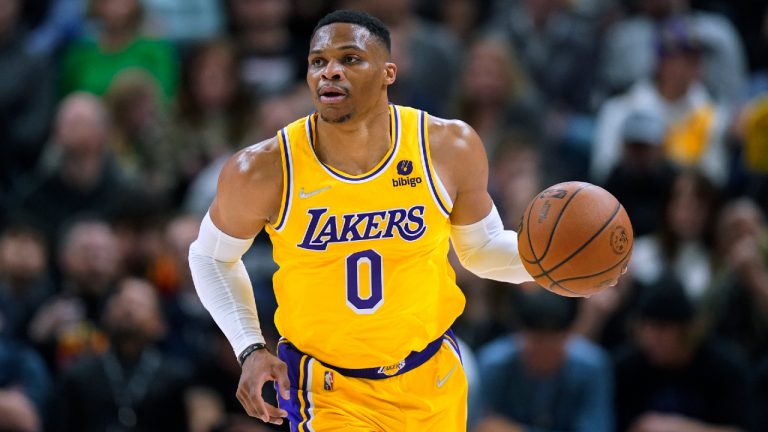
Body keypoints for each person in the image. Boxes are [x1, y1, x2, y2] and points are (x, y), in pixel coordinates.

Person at [188, 9, 577, 431]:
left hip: (432, 377)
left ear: (388, 72)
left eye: (350, 59)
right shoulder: (264, 169)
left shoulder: (447, 146)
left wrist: (555, 262)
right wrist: (249, 347)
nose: (330, 71)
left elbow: (480, 250)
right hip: (329, 389)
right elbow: (210, 257)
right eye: (318, 62)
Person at [476, 289, 613, 432]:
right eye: (537, 342)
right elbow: (479, 424)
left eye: (553, 343)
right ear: (519, 335)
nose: (544, 351)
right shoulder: (494, 363)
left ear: (569, 337)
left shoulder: (592, 367)